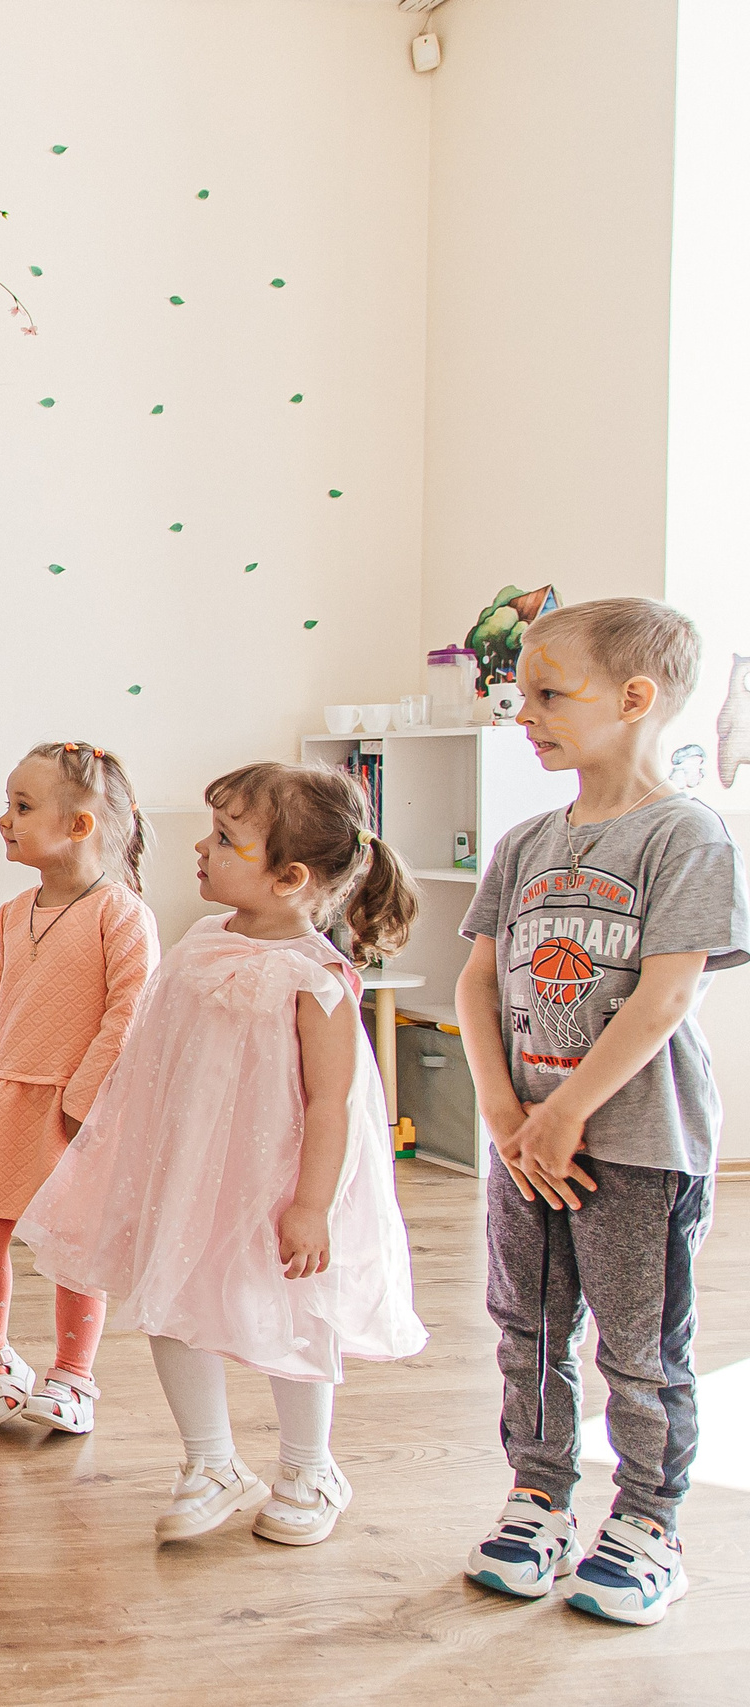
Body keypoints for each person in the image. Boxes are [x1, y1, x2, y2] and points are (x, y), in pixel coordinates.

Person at [23, 763, 427, 1547]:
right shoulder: (204, 939)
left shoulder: (320, 979)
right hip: (192, 1174)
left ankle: (311, 1466)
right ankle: (210, 1461)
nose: (200, 848)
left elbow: (332, 1103)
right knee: (168, 1297)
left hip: (279, 1184)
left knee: (296, 1316)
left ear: (290, 877)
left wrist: (310, 1204)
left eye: (226, 838)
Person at [454, 599, 747, 1625]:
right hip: (525, 1145)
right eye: (521, 693)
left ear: (633, 700)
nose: (521, 711)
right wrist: (503, 1110)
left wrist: (567, 1111)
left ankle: (648, 1524)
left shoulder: (685, 834)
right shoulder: (527, 840)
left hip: (635, 1147)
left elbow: (668, 993)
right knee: (526, 1329)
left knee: (635, 1344)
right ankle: (537, 1500)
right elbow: (475, 981)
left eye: (547, 693)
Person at [0, 742, 158, 1436]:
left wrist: (81, 1103)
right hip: (3, 1100)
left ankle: (73, 1374)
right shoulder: (9, 913)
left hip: (76, 1110)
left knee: (74, 1244)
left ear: (80, 824)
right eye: (8, 804)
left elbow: (129, 1015)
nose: (4, 819)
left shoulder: (121, 914)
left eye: (22, 807)